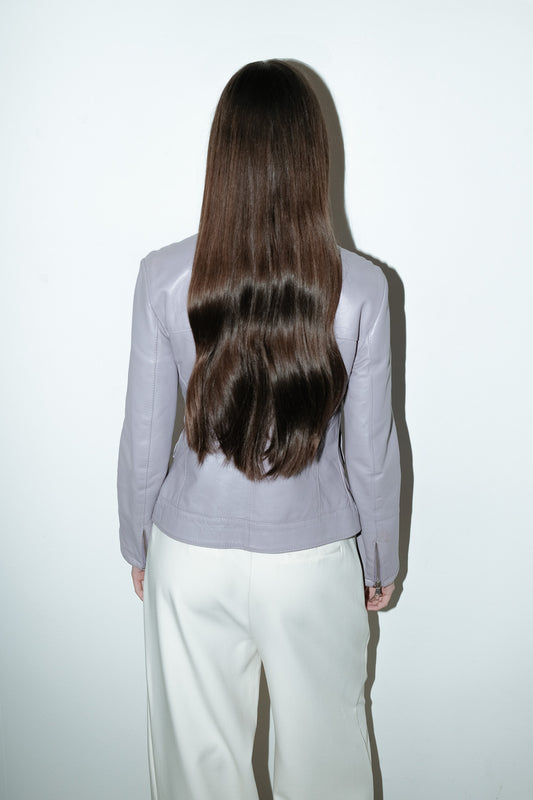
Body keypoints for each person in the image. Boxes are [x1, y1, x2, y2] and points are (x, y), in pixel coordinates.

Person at [117, 59, 400, 800]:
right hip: (312, 564)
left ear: (223, 156)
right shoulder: (362, 288)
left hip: (189, 559)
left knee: (195, 779)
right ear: (313, 158)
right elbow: (371, 452)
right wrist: (378, 556)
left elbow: (144, 436)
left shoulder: (163, 278)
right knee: (327, 776)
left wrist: (137, 540)